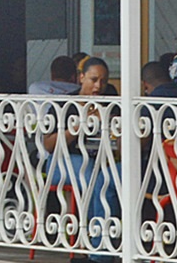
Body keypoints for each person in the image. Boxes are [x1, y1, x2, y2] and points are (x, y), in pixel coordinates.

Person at [42, 56, 119, 262]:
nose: (98, 86)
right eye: (93, 80)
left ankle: (101, 247)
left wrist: (111, 125)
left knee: (105, 180)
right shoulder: (65, 104)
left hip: (101, 161)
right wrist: (78, 126)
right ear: (81, 77)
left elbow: (121, 140)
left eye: (103, 80)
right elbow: (48, 144)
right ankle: (97, 249)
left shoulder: (111, 98)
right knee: (94, 177)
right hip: (64, 160)